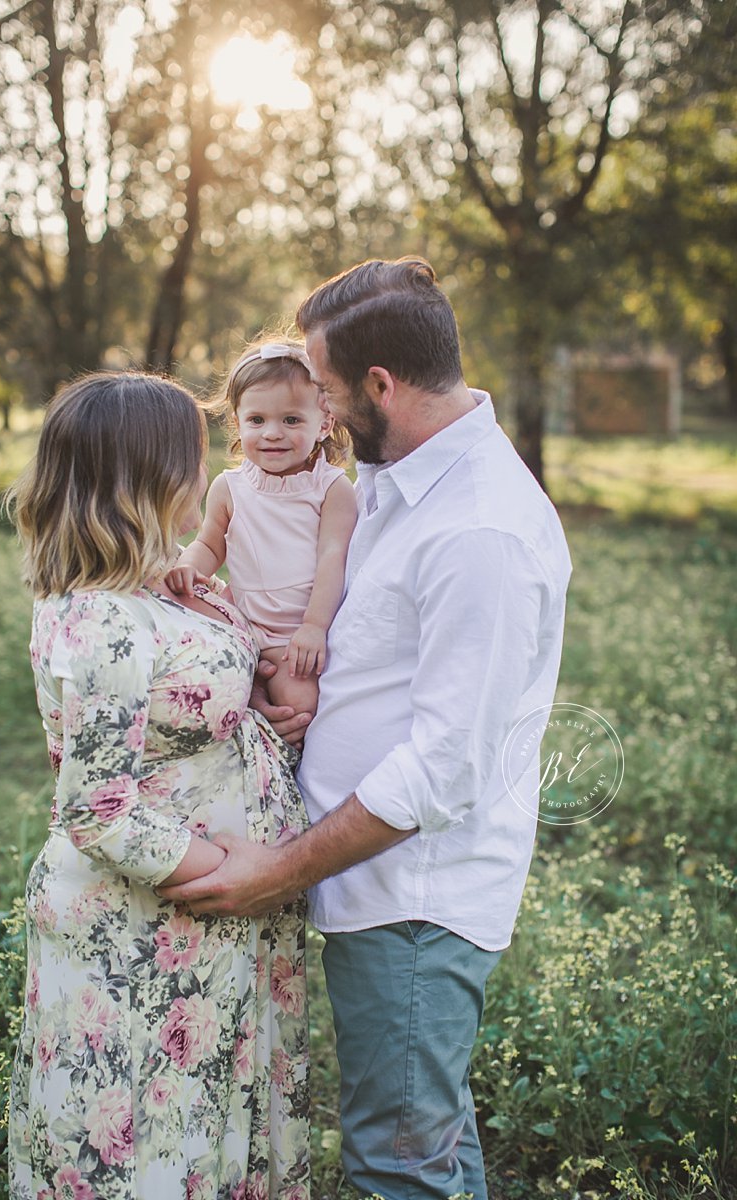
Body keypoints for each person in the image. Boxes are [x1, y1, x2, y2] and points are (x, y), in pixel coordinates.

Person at [160, 258, 573, 1200]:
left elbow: (441, 770)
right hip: (374, 888)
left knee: (400, 1165)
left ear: (381, 386)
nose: (325, 421)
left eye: (333, 398)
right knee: (425, 1145)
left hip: (412, 902)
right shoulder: (402, 483)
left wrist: (280, 868)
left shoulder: (482, 532)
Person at [5, 372, 310, 1200]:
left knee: (199, 1139)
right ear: (147, 473)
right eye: (193, 455)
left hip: (203, 928)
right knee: (146, 1147)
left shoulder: (160, 586)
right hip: (152, 925)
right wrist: (232, 865)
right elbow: (97, 808)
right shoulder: (102, 615)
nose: (206, 470)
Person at [166, 340, 357, 715]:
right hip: (239, 620)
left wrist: (314, 626)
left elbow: (333, 558)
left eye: (291, 420)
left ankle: (282, 761)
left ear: (324, 423)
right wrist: (189, 567)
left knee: (299, 703)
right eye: (257, 420)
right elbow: (209, 544)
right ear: (237, 423)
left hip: (295, 633)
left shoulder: (332, 488)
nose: (272, 433)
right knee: (195, 668)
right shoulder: (229, 486)